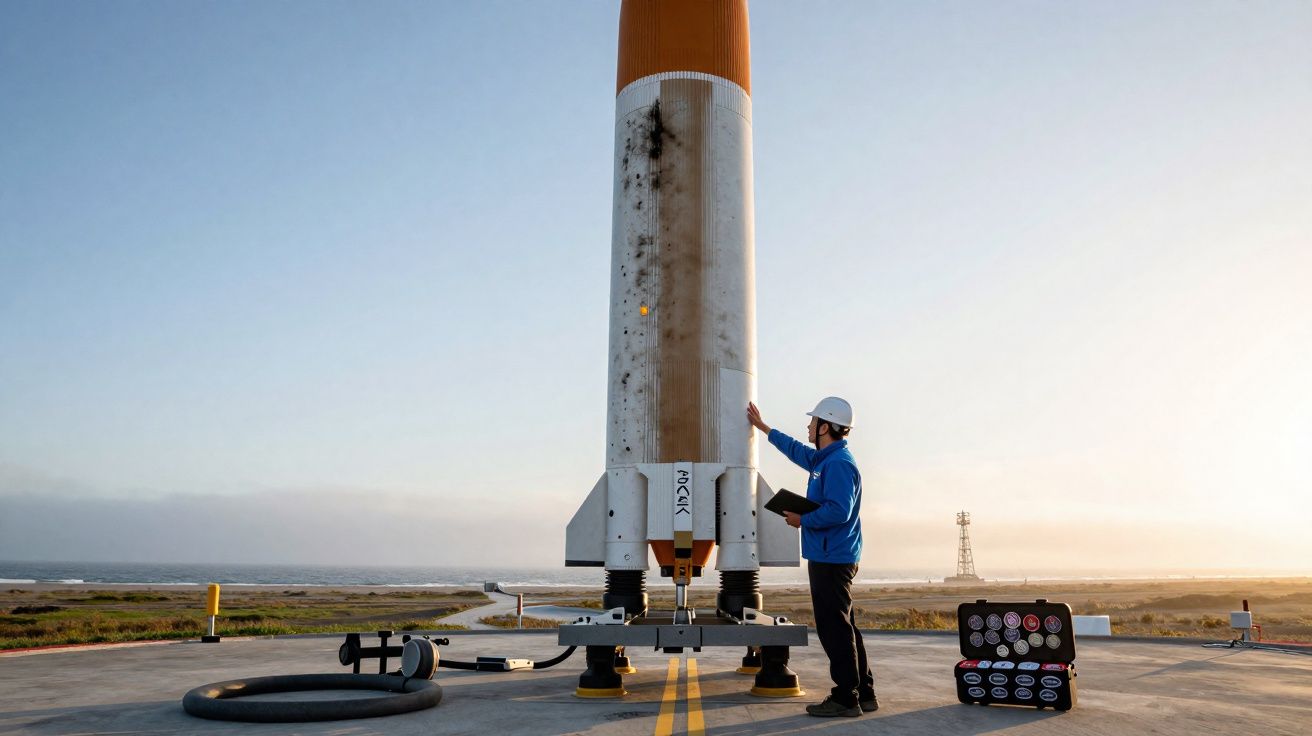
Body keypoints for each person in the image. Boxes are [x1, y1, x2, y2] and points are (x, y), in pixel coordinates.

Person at [748, 397, 875, 718]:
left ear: (825, 427)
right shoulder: (823, 460)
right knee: (845, 626)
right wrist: (765, 428)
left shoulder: (838, 464)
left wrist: (803, 520)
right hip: (831, 553)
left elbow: (839, 510)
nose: (808, 425)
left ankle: (846, 697)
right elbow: (796, 450)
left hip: (832, 558)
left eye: (813, 421)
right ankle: (865, 692)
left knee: (834, 630)